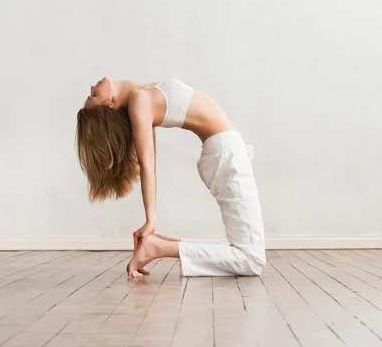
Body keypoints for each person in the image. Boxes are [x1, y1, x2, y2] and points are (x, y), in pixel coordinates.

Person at [75, 77, 266, 277]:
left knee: (248, 253)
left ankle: (158, 245)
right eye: (94, 95)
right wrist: (151, 220)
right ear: (112, 102)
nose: (92, 86)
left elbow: (151, 161)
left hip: (227, 153)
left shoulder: (140, 95)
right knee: (251, 260)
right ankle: (158, 248)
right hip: (227, 156)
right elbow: (148, 165)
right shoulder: (139, 102)